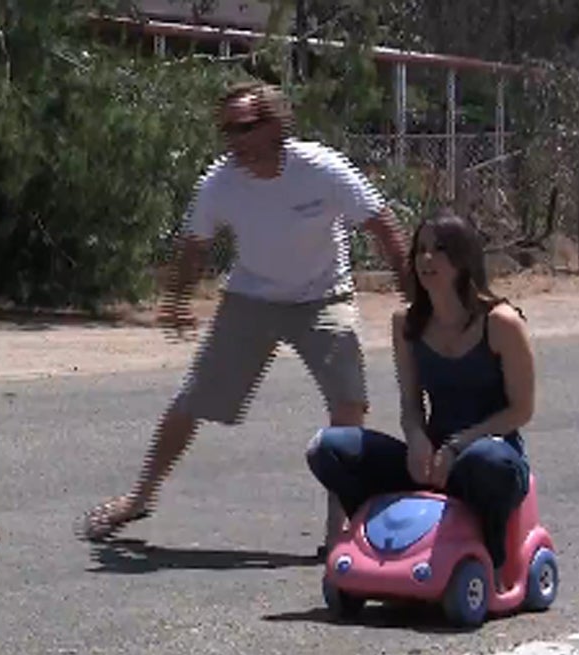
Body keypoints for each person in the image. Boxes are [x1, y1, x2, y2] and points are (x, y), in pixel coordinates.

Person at [78, 79, 410, 544]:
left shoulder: (321, 169)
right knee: (193, 399)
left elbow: (382, 224)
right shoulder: (221, 181)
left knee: (348, 402)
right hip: (252, 297)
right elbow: (195, 245)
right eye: (227, 131)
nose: (235, 141)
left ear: (276, 125)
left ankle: (340, 527)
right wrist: (176, 300)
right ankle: (139, 497)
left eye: (245, 128)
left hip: (323, 295)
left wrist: (412, 291)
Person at [305, 209, 536, 577]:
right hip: (430, 462)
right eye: (421, 250)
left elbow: (521, 410)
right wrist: (415, 439)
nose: (426, 259)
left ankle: (492, 558)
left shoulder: (501, 323)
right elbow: (411, 404)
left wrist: (458, 446)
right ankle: (376, 542)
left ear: (463, 258)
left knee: (487, 462)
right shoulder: (407, 324)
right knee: (328, 448)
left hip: (487, 456)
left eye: (439, 249)